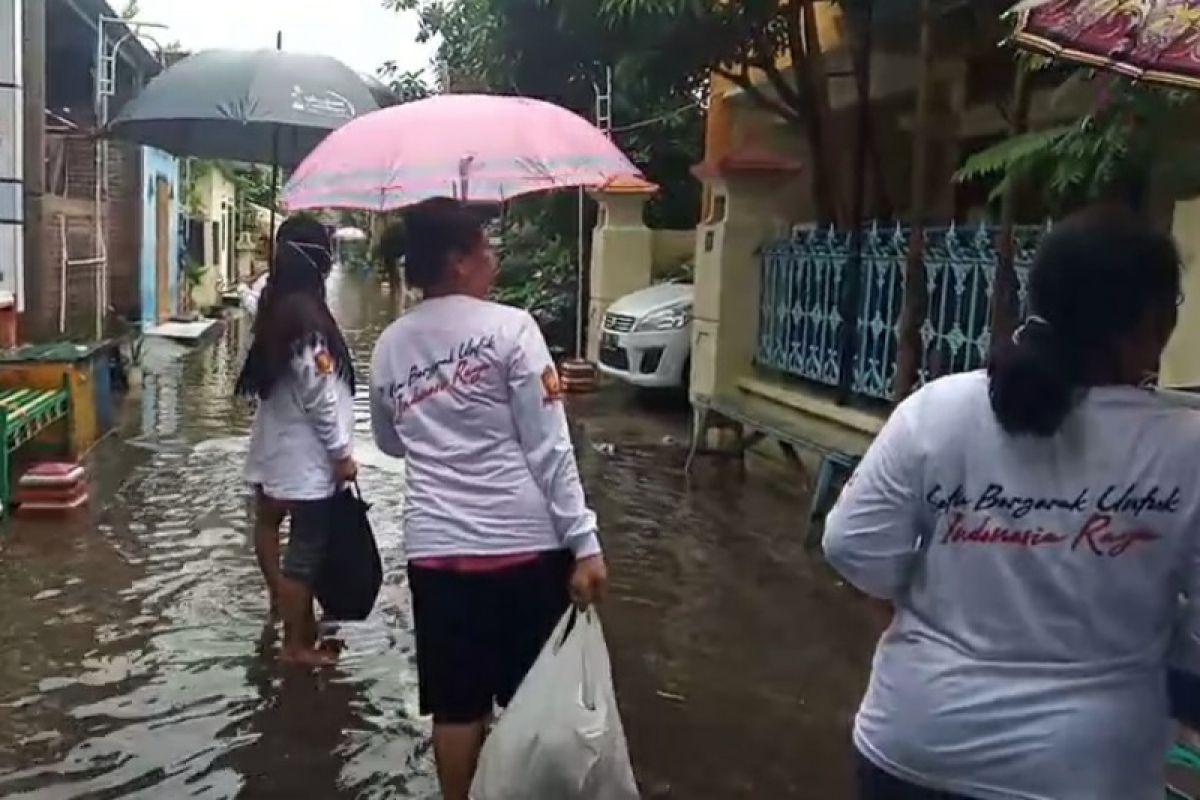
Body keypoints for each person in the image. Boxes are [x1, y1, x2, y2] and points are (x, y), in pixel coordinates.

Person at [823, 205, 1200, 800]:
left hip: (916, 746)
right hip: (1088, 769)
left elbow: (853, 548)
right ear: (1151, 322)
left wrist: (932, 643)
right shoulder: (1185, 450)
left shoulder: (939, 411)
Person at [368, 198, 608, 800]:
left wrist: (439, 425)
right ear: (457, 261)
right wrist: (585, 544)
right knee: (533, 702)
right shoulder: (513, 329)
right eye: (483, 247)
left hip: (437, 553)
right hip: (524, 549)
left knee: (455, 707)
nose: (493, 257)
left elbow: (389, 441)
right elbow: (550, 447)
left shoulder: (390, 346)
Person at [236, 215, 357, 666]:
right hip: (304, 457)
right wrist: (341, 455)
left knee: (268, 523)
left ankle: (281, 601)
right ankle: (296, 643)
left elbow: (254, 293)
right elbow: (321, 397)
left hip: (275, 447)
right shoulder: (305, 318)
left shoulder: (276, 303)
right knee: (305, 552)